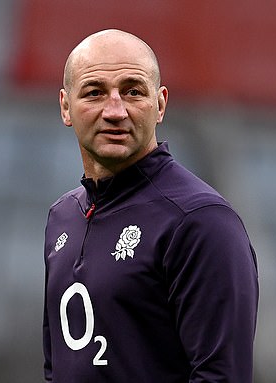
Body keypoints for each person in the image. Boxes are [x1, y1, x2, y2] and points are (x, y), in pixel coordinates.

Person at [43, 29, 258, 382]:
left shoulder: (200, 221)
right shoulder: (61, 218)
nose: (115, 111)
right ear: (66, 107)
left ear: (160, 105)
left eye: (132, 91)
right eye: (95, 93)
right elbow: (57, 368)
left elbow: (221, 376)